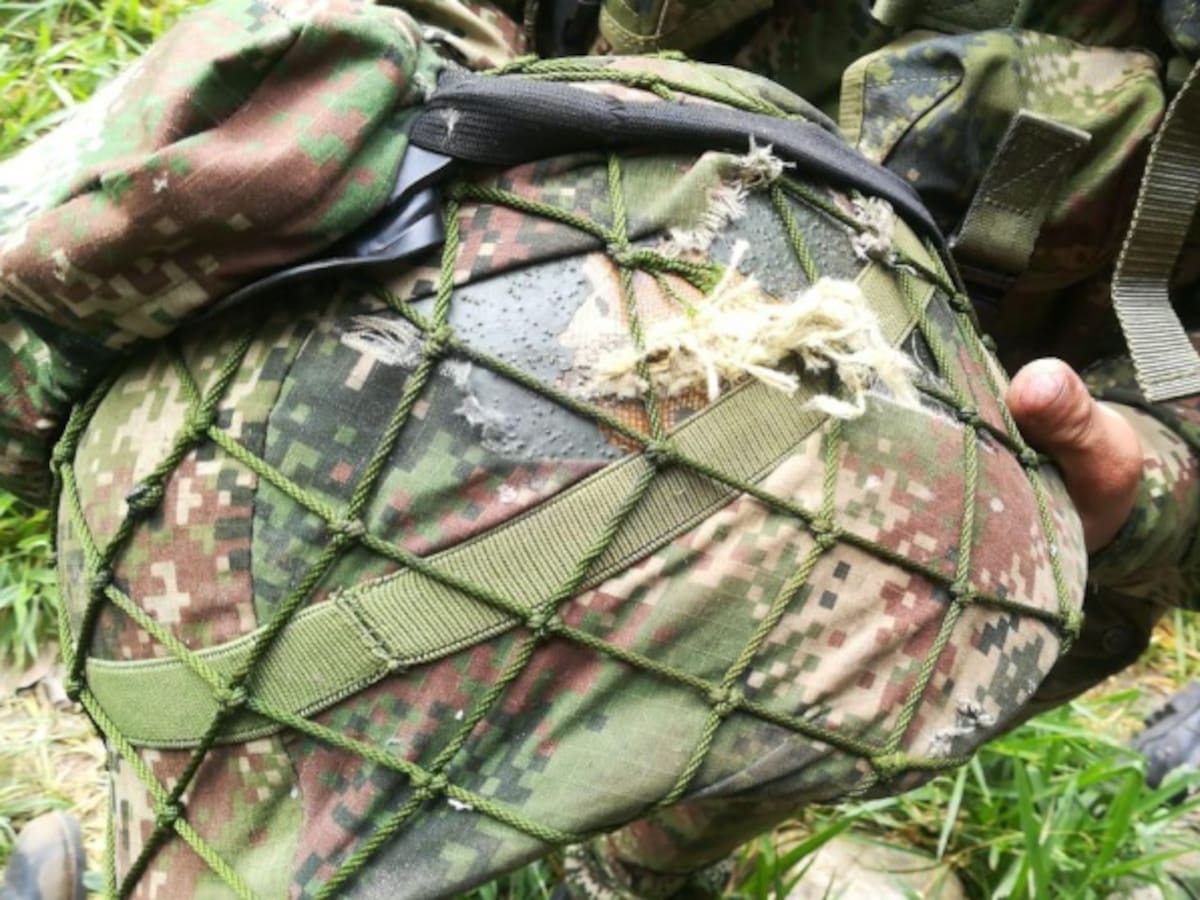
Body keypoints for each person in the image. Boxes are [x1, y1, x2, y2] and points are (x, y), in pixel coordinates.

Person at [1, 1, 1197, 897]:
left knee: (637, 824)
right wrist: (387, 106)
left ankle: (618, 864)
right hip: (489, 288)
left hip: (925, 494)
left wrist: (1141, 480)